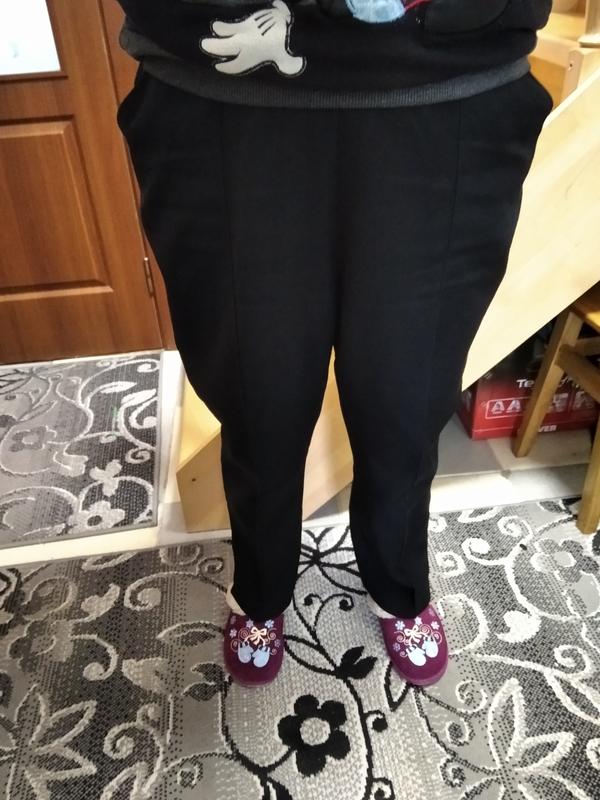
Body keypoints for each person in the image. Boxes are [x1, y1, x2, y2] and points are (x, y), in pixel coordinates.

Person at [114, 0, 554, 688]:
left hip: (448, 92)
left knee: (405, 397)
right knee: (259, 396)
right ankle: (261, 587)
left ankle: (399, 583)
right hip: (222, 86)